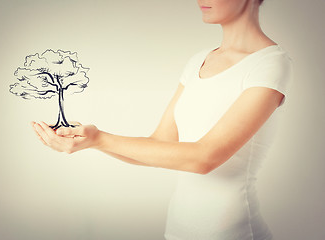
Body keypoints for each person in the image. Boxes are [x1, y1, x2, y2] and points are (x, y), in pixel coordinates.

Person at [32, 0, 293, 239]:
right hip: (177, 230)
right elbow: (159, 143)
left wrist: (100, 137)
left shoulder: (269, 64)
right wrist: (91, 142)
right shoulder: (198, 61)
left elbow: (204, 158)